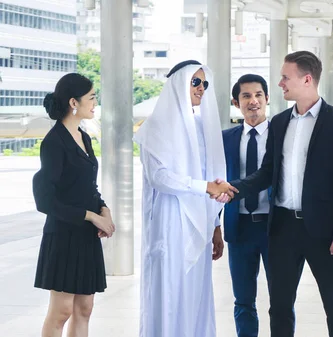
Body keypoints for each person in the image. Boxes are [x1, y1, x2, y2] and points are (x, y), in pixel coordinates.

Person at [227, 51, 333, 337]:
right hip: (283, 228)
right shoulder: (279, 122)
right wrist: (232, 190)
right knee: (280, 306)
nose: (280, 84)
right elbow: (266, 173)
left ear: (307, 79)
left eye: (286, 77)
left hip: (324, 231)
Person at [133, 60, 233, 337]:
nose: (201, 88)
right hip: (169, 223)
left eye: (204, 83)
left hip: (199, 222)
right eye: (195, 82)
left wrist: (215, 225)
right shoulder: (155, 127)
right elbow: (160, 178)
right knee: (169, 292)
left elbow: (211, 175)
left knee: (196, 295)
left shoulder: (201, 126)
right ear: (178, 84)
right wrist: (203, 187)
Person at [33, 73, 116, 337]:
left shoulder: (84, 137)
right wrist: (92, 216)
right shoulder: (54, 143)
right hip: (64, 235)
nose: (95, 103)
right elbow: (45, 200)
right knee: (62, 311)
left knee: (85, 308)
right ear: (73, 102)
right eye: (91, 97)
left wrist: (104, 210)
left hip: (85, 234)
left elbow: (86, 186)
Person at [222, 74, 271, 337]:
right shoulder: (226, 138)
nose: (253, 101)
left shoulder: (281, 134)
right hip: (239, 228)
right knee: (243, 301)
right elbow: (217, 182)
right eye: (246, 96)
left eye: (258, 95)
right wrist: (214, 227)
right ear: (236, 102)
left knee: (281, 302)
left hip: (275, 228)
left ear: (266, 98)